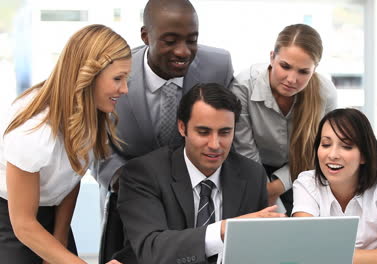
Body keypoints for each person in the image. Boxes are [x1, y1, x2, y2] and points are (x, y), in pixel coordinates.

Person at [0, 24, 130, 264]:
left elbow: (70, 178)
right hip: (11, 220)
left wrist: (60, 237)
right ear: (88, 75)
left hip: (52, 212)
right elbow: (23, 224)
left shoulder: (94, 113)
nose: (125, 89)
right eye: (118, 79)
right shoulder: (33, 132)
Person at [114, 83, 284, 264]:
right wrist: (223, 230)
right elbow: (151, 250)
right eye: (204, 132)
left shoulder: (252, 174)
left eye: (225, 132)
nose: (215, 144)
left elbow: (254, 251)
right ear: (182, 127)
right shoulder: (143, 174)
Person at [94, 0, 234, 195]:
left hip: (198, 192)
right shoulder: (113, 72)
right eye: (170, 41)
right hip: (129, 189)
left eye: (192, 40)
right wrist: (120, 178)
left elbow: (232, 130)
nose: (183, 51)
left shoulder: (219, 66)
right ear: (145, 36)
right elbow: (92, 139)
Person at [232, 24, 337, 215]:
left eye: (303, 72)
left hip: (304, 169)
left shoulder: (325, 93)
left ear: (315, 69)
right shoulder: (243, 86)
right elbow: (245, 150)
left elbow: (319, 150)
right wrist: (265, 190)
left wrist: (277, 186)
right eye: (285, 66)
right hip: (252, 170)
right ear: (272, 57)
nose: (291, 79)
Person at [292, 108, 377, 263]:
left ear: (364, 155)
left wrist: (329, 254)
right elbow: (306, 253)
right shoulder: (306, 184)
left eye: (346, 146)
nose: (333, 154)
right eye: (326, 144)